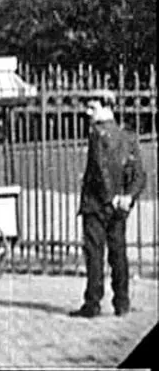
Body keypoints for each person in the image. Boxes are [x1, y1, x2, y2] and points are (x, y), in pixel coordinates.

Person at [70, 91, 146, 319]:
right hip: (119, 207)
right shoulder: (128, 137)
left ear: (107, 107)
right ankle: (122, 302)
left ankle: (92, 303)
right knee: (118, 253)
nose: (87, 112)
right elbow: (139, 174)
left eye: (92, 108)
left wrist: (108, 196)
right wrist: (128, 197)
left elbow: (100, 168)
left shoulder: (97, 134)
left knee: (95, 254)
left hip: (96, 204)